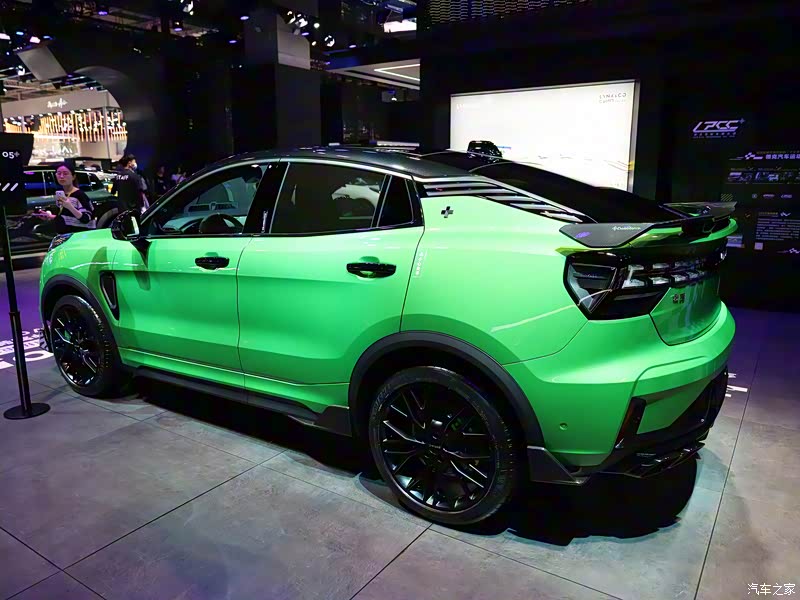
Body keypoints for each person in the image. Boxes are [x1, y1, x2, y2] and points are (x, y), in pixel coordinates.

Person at [52, 163, 95, 234]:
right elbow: (66, 216)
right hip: (64, 234)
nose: (61, 176)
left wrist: (70, 207)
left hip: (79, 235)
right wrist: (50, 216)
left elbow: (86, 218)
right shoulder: (61, 194)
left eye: (65, 173)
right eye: (59, 173)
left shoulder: (79, 195)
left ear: (73, 177)